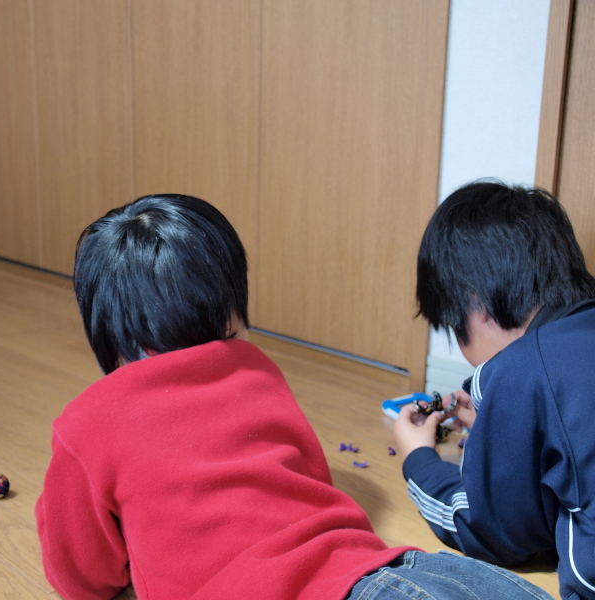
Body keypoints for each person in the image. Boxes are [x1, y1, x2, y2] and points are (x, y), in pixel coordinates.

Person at [36, 193, 554, 600]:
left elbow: (80, 576)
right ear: (230, 311)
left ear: (106, 332)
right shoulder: (256, 371)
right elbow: (311, 477)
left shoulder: (86, 423)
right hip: (399, 570)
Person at [394, 181, 595, 600]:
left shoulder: (516, 370)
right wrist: (505, 427)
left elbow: (494, 532)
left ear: (477, 305)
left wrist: (418, 459)